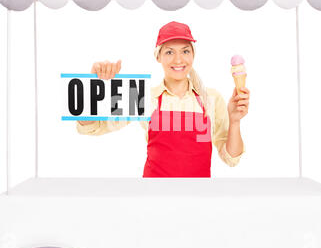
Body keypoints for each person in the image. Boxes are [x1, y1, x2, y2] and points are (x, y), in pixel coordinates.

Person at [77, 21, 250, 177]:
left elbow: (231, 158)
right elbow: (91, 126)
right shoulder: (142, 96)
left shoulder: (211, 98)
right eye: (169, 52)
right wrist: (93, 84)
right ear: (157, 56)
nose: (178, 59)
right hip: (153, 197)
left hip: (198, 199)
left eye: (185, 51)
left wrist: (235, 121)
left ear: (193, 55)